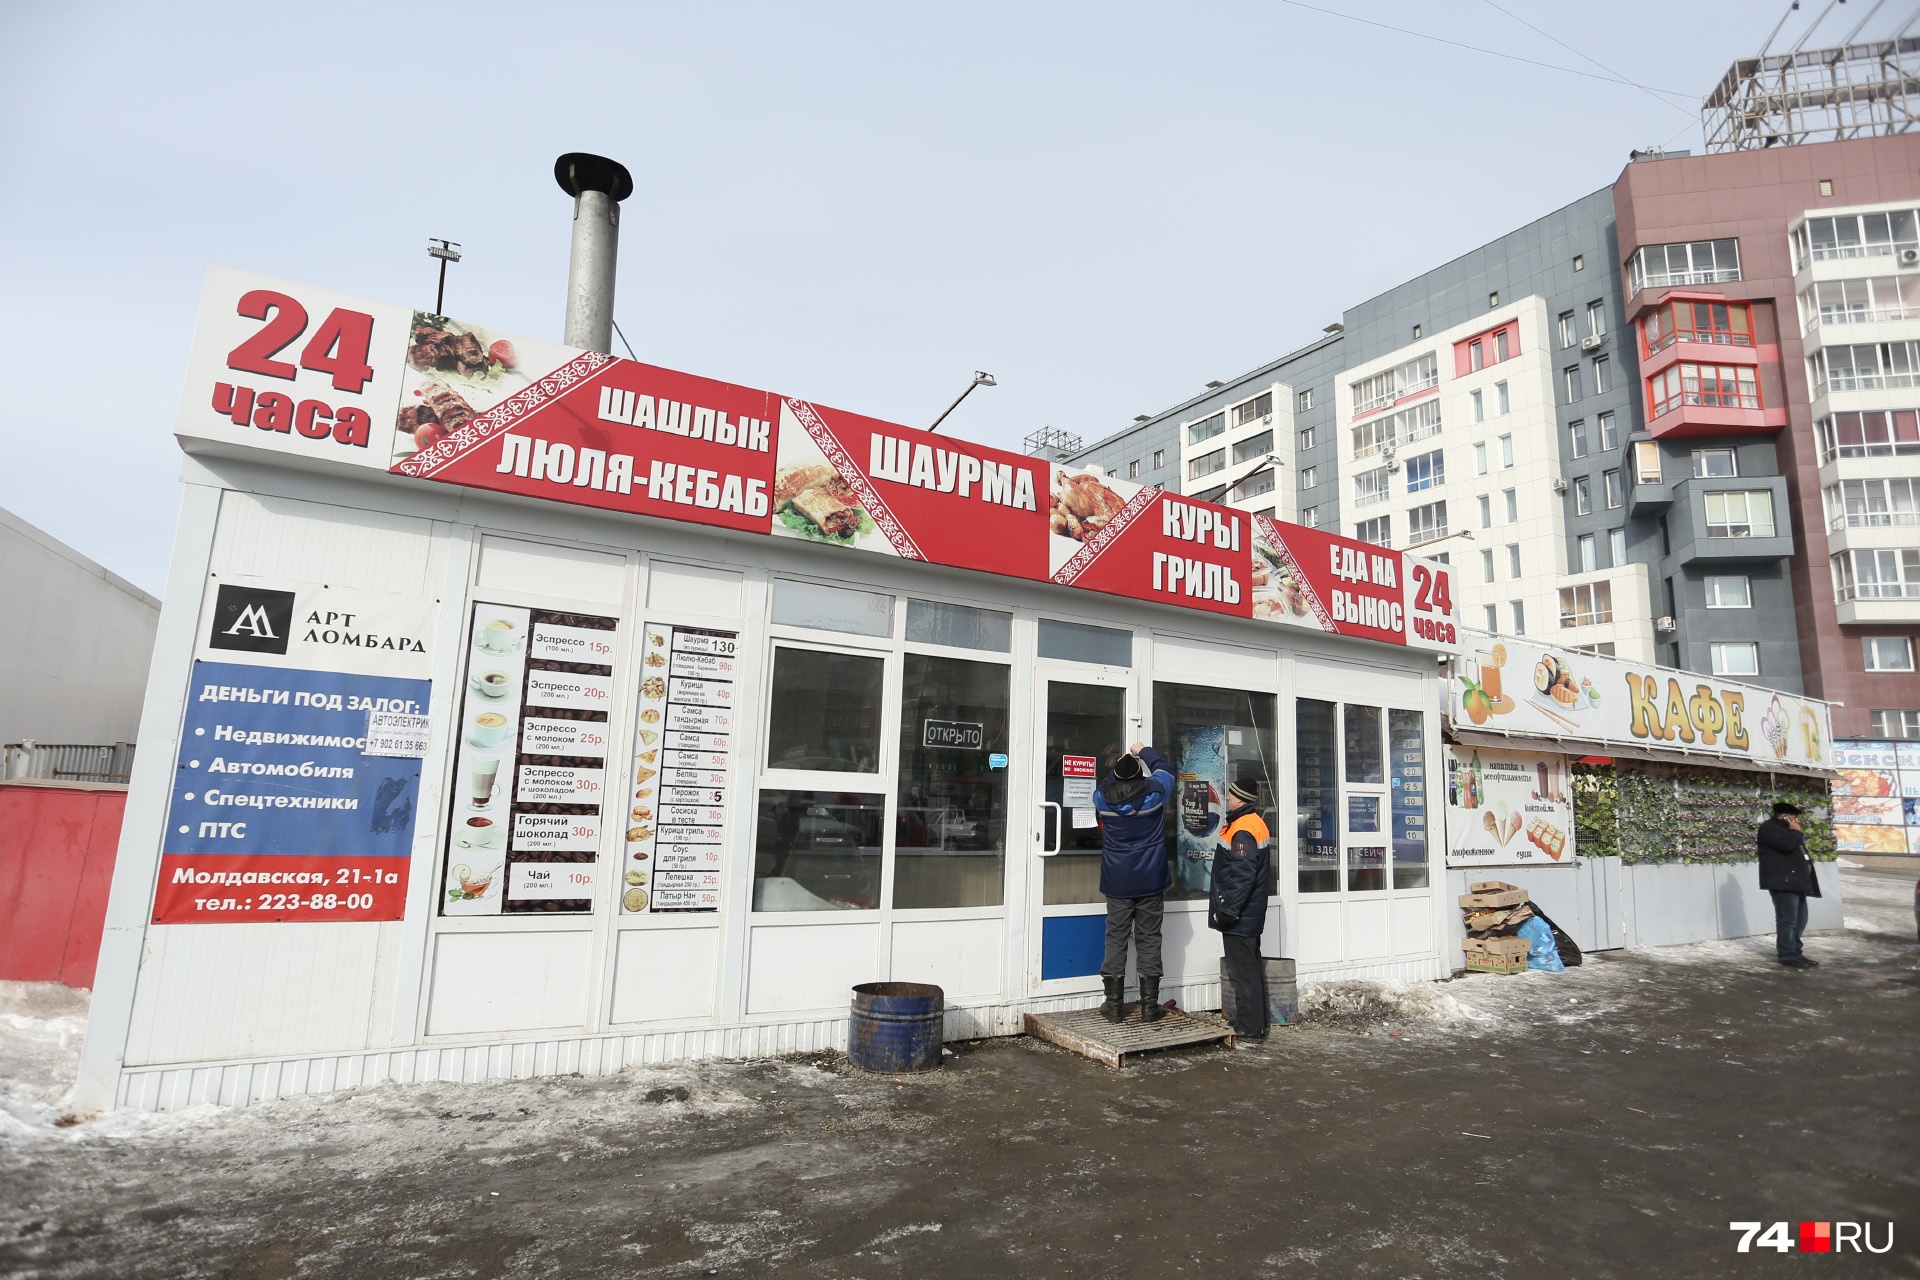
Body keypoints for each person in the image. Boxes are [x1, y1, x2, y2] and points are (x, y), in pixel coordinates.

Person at [1093, 740, 1176, 1024]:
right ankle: (1150, 1006)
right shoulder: (1155, 792)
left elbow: (1110, 781)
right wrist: (1142, 752)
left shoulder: (1101, 797)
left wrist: (1117, 763)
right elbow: (1164, 769)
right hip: (1151, 879)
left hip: (1118, 881)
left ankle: (1114, 1007)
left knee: (1115, 938)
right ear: (1140, 775)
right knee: (1149, 939)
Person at [1209, 778, 1273, 1039]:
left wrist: (1228, 911)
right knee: (1250, 968)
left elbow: (1242, 876)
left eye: (1231, 795)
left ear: (1240, 798)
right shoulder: (1251, 823)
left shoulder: (1244, 829)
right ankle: (1254, 1022)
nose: (1227, 798)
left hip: (1240, 915)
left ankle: (1249, 1027)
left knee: (1242, 972)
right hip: (1248, 913)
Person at [1757, 800, 1822, 968]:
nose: (1797, 822)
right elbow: (1787, 846)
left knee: (1800, 919)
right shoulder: (1770, 829)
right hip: (1783, 882)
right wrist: (1795, 832)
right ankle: (1786, 955)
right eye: (1794, 818)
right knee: (1788, 920)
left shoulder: (1787, 830)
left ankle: (1796, 952)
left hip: (1796, 881)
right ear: (1784, 816)